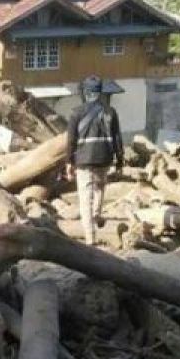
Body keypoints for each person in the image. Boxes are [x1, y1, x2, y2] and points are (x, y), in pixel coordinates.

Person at [66, 75, 124, 245]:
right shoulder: (110, 112)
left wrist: (69, 162)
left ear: (86, 92)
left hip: (84, 160)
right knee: (100, 188)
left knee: (85, 200)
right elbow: (118, 138)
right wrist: (120, 161)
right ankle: (97, 214)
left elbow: (70, 140)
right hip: (105, 158)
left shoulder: (76, 112)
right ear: (101, 92)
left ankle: (90, 239)